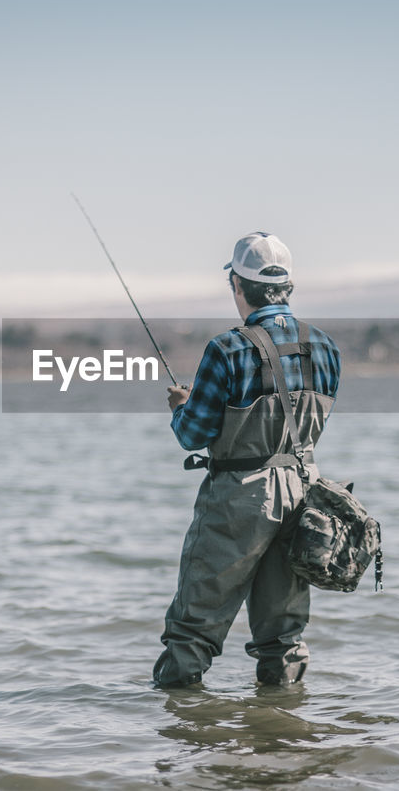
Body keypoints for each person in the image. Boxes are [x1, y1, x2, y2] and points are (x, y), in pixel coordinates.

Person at [153, 231, 341, 688]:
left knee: (192, 630)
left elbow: (193, 435)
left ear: (238, 286)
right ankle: (283, 739)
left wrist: (182, 406)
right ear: (287, 288)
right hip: (303, 493)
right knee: (283, 635)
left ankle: (182, 739)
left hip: (239, 498)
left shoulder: (227, 348)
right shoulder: (327, 348)